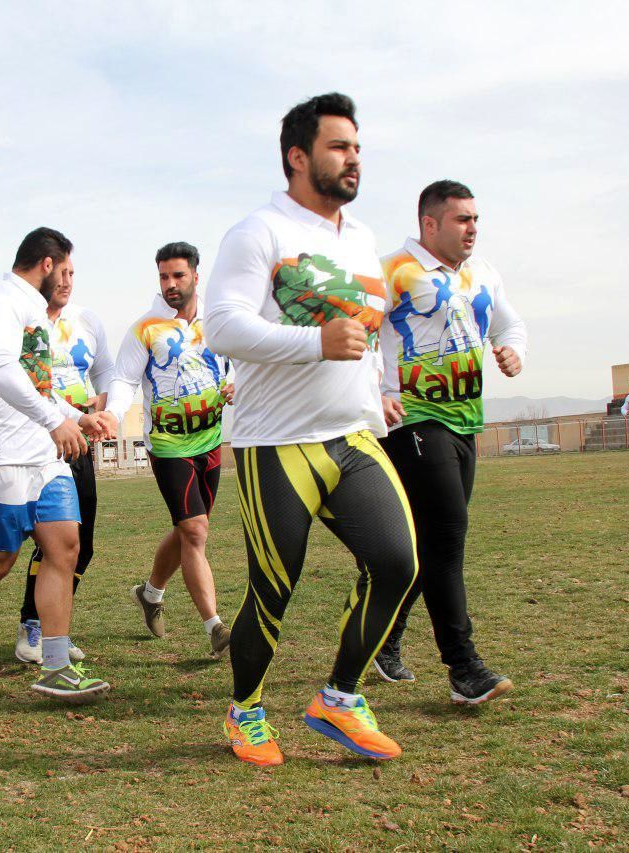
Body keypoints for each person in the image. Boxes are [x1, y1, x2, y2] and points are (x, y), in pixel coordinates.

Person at [203, 93, 418, 766]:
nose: (353, 158)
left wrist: (383, 391)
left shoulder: (362, 241)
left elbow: (373, 329)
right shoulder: (258, 231)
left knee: (398, 562)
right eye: (338, 146)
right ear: (299, 157)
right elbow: (222, 326)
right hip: (276, 442)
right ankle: (246, 711)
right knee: (274, 587)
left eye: (357, 146)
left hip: (352, 435)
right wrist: (314, 343)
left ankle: (340, 697)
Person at [0, 227, 113, 703]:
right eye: (65, 269)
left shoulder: (37, 314)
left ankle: (54, 666)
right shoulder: (0, 302)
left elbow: (39, 386)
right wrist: (55, 420)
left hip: (40, 454)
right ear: (47, 264)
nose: (68, 281)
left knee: (64, 546)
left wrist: (78, 418)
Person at [374, 179, 527, 705]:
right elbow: (356, 333)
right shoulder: (391, 270)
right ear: (429, 223)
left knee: (422, 548)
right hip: (413, 421)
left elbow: (510, 325)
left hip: (465, 422)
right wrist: (379, 390)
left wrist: (510, 350)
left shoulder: (480, 274)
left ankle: (385, 639)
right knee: (448, 535)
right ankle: (464, 668)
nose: (473, 229)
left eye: (476, 219)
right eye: (462, 219)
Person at [105, 241, 234, 661]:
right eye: (163, 276)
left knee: (187, 530)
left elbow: (245, 359)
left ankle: (150, 593)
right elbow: (124, 380)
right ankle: (216, 628)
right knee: (195, 530)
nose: (170, 284)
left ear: (197, 275)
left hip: (212, 441)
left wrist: (240, 383)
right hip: (168, 444)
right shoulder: (146, 328)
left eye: (178, 275)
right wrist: (111, 413)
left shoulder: (219, 318)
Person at [14, 271, 114, 664]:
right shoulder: (25, 320)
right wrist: (68, 416)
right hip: (38, 441)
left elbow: (105, 368)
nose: (67, 280)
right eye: (59, 272)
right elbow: (24, 380)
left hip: (79, 443)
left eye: (73, 272)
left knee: (81, 545)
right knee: (50, 542)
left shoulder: (87, 321)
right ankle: (32, 625)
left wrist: (100, 404)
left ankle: (56, 629)